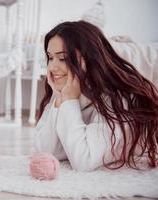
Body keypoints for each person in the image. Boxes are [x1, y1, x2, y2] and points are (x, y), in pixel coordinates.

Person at [35, 20, 158, 172]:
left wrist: (69, 100)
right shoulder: (67, 90)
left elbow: (84, 161)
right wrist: (60, 98)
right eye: (50, 57)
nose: (52, 67)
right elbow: (46, 152)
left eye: (62, 58)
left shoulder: (118, 99)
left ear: (89, 59)